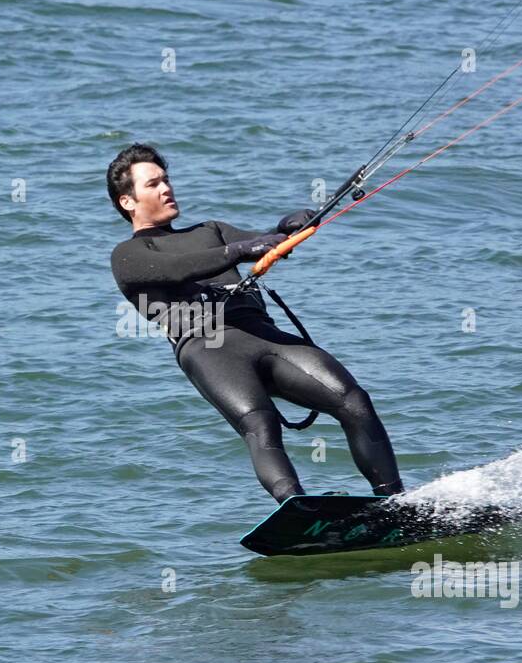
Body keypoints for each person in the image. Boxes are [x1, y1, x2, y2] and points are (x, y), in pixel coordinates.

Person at [107, 142, 405, 503]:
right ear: (128, 201)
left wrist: (288, 228)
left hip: (263, 334)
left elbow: (261, 242)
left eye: (166, 179)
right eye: (153, 184)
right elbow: (177, 269)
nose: (166, 188)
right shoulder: (129, 255)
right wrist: (239, 252)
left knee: (354, 401)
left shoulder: (210, 230)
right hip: (209, 348)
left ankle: (394, 502)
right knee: (260, 424)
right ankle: (297, 508)